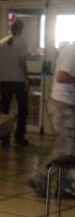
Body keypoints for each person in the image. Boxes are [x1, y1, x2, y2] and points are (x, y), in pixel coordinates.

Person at [28, 43, 75, 196]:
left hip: (68, 104)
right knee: (64, 148)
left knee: (70, 147)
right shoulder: (72, 51)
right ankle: (39, 177)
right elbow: (62, 77)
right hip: (61, 105)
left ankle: (64, 186)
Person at [0, 20, 29, 147]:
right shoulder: (22, 42)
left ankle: (4, 138)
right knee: (22, 109)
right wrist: (26, 78)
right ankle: (19, 136)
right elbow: (22, 62)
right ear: (21, 30)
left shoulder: (1, 42)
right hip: (18, 80)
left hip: (4, 79)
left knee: (4, 109)